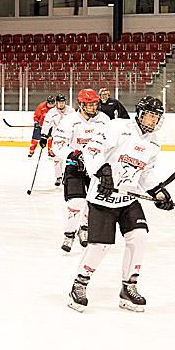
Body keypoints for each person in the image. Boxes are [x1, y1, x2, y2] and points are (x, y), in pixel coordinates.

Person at [67, 95, 173, 313]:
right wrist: (101, 170)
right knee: (100, 246)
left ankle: (128, 287)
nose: (152, 122)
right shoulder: (118, 127)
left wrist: (158, 191)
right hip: (103, 197)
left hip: (128, 198)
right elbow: (92, 150)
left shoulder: (153, 142)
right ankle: (79, 284)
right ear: (140, 114)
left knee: (139, 236)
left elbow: (146, 172)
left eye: (156, 118)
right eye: (149, 116)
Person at [50, 88, 109, 253]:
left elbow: (110, 143)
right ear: (81, 105)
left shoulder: (104, 120)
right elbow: (58, 145)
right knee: (76, 201)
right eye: (90, 104)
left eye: (95, 104)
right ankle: (69, 234)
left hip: (95, 169)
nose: (94, 107)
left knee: (92, 202)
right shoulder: (70, 120)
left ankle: (84, 228)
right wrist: (74, 154)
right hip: (75, 167)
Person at [40, 94, 73, 187]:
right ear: (56, 103)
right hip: (58, 139)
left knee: (70, 158)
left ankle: (68, 176)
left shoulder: (71, 111)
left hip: (69, 138)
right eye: (59, 102)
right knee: (57, 159)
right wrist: (43, 136)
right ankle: (58, 177)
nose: (61, 104)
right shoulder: (51, 112)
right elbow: (46, 124)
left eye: (63, 102)